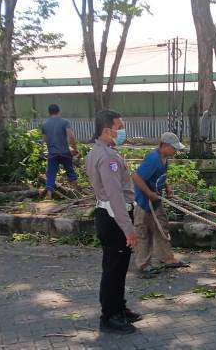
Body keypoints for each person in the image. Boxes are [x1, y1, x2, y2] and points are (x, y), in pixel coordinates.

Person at [85, 109, 141, 335]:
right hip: (114, 218)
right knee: (113, 269)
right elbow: (115, 195)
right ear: (107, 130)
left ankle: (119, 308)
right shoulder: (107, 157)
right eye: (119, 127)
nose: (121, 131)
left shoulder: (99, 151)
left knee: (118, 268)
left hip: (110, 216)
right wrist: (128, 228)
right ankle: (109, 317)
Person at [131, 132, 190, 274]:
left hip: (156, 201)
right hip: (145, 203)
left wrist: (167, 186)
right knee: (143, 232)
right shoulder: (153, 159)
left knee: (161, 228)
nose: (176, 151)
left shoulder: (164, 158)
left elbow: (160, 176)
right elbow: (136, 177)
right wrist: (149, 194)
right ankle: (143, 264)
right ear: (165, 146)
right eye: (174, 148)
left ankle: (167, 258)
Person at [40, 104, 79, 200]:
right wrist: (74, 149)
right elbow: (71, 136)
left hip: (52, 153)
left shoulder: (45, 124)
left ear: (48, 112)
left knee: (51, 174)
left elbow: (44, 140)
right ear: (59, 111)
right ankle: (76, 193)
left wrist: (47, 149)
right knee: (70, 171)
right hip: (65, 152)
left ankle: (49, 196)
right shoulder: (65, 122)